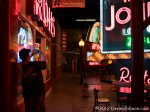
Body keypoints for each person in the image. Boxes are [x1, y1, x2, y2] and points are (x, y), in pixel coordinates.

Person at [18, 48, 46, 112]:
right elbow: (45, 62)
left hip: (27, 94)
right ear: (27, 56)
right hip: (38, 92)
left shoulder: (19, 67)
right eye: (28, 54)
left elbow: (25, 62)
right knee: (40, 109)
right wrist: (42, 53)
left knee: (28, 109)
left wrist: (30, 56)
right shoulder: (35, 64)